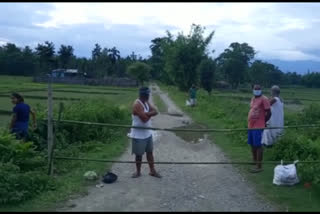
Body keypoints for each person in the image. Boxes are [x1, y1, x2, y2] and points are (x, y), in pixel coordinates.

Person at [128, 87, 161, 178]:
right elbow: (144, 120)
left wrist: (146, 113)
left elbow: (156, 111)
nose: (148, 96)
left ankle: (152, 171)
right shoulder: (137, 104)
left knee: (150, 152)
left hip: (147, 132)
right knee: (139, 154)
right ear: (143, 95)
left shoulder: (146, 102)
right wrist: (149, 114)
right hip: (138, 134)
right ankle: (138, 172)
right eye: (147, 94)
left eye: (148, 94)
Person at [247, 84, 271, 173]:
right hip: (251, 125)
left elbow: (269, 112)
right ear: (252, 90)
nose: (257, 90)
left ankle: (259, 166)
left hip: (259, 126)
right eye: (255, 89)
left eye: (258, 89)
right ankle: (254, 161)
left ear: (261, 89)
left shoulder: (264, 99)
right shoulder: (253, 98)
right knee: (252, 144)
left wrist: (264, 122)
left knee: (258, 145)